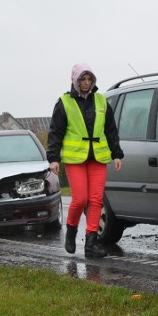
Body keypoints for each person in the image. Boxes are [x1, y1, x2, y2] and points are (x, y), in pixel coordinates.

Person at [47, 63, 123, 258]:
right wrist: (54, 158)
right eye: (83, 79)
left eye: (89, 79)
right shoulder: (64, 102)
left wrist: (116, 154)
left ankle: (91, 243)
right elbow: (56, 132)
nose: (86, 83)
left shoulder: (101, 101)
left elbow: (110, 130)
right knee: (80, 199)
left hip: (98, 157)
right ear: (75, 80)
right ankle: (71, 230)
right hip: (75, 159)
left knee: (96, 200)